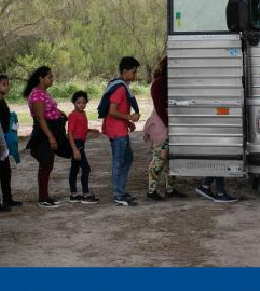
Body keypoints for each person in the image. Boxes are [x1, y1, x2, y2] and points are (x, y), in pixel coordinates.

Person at [144, 56, 186, 201]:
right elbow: (160, 107)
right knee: (160, 158)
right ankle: (152, 190)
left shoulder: (163, 81)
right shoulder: (161, 82)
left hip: (166, 123)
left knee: (169, 159)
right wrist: (170, 124)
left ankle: (169, 188)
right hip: (162, 125)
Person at [100, 56, 141, 206]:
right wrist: (129, 116)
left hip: (120, 129)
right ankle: (118, 194)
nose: (135, 75)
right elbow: (112, 111)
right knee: (119, 162)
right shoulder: (120, 89)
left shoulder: (120, 86)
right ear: (125, 71)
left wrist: (127, 122)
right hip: (117, 132)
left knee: (127, 159)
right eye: (134, 72)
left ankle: (121, 190)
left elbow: (117, 110)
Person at [24, 66, 66, 208]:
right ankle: (43, 198)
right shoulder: (37, 94)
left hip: (51, 130)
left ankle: (45, 195)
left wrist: (58, 112)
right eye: (49, 77)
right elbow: (40, 118)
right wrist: (50, 136)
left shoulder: (43, 93)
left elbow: (48, 109)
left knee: (48, 163)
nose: (52, 79)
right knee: (45, 164)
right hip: (43, 133)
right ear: (41, 79)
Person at [0, 75, 22, 212]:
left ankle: (7, 198)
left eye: (8, 84)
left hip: (5, 139)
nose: (6, 86)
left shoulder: (2, 101)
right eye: (3, 84)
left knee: (6, 171)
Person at [67, 91, 100, 204]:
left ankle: (74, 194)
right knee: (85, 168)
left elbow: (81, 129)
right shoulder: (73, 116)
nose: (81, 104)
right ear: (74, 103)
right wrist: (74, 149)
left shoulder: (82, 114)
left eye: (84, 102)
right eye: (79, 102)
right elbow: (70, 133)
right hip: (76, 144)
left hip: (80, 144)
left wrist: (91, 130)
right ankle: (85, 194)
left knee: (75, 169)